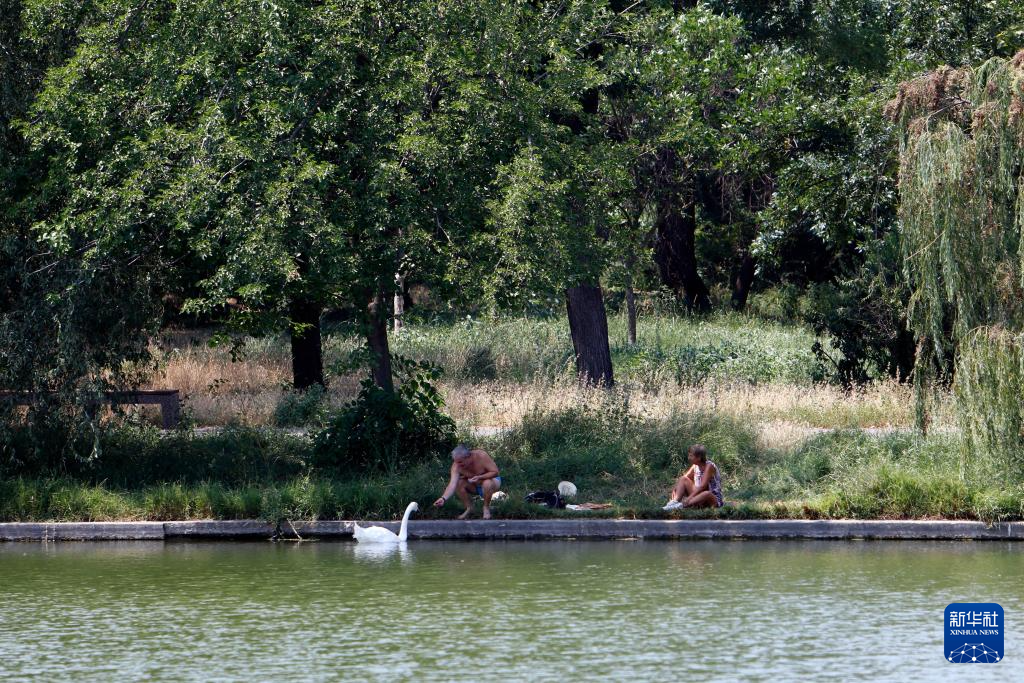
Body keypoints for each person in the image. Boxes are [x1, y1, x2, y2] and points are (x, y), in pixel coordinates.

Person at [433, 445, 502, 519]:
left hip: (493, 482)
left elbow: (495, 472)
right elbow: (452, 484)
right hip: (474, 486)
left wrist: (480, 477)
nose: (458, 464)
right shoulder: (456, 465)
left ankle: (486, 508)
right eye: (456, 462)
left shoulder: (481, 455)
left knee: (487, 483)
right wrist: (443, 498)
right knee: (459, 483)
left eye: (460, 462)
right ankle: (469, 508)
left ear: (468, 457)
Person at [662, 444, 723, 510]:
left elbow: (702, 487)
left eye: (691, 456)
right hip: (699, 498)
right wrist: (675, 488)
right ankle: (674, 503)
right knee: (683, 479)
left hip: (712, 500)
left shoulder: (709, 466)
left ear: (699, 457)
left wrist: (689, 498)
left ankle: (681, 506)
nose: (688, 458)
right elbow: (683, 479)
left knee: (706, 493)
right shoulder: (695, 466)